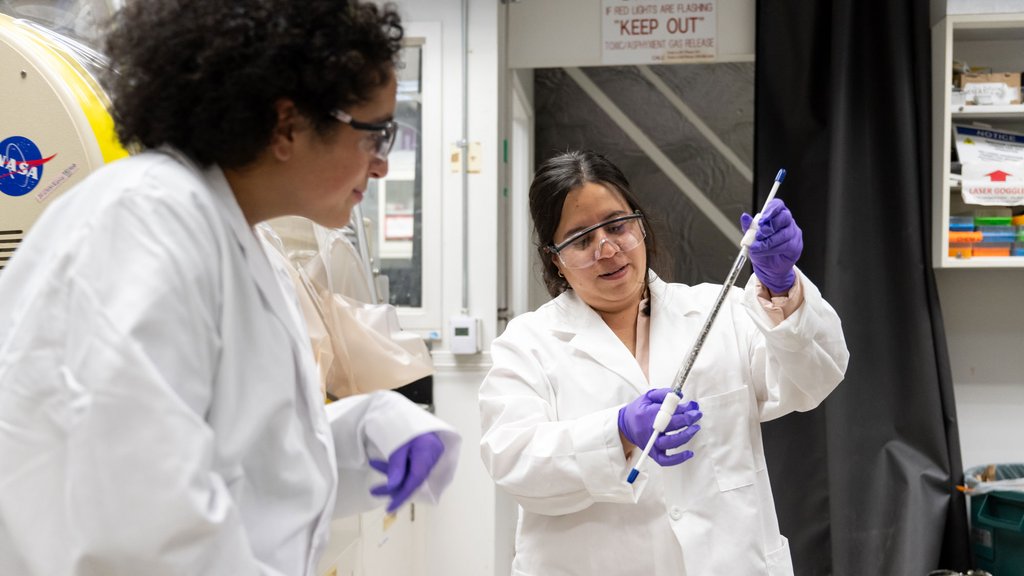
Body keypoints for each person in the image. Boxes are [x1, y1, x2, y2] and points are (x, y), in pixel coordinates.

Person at [0, 1, 459, 575]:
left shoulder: (230, 232)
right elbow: (141, 518)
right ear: (287, 124)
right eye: (375, 134)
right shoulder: (145, 224)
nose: (382, 165)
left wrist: (373, 430)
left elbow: (244, 455)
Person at [479, 150, 849, 575]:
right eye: (581, 240)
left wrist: (782, 287)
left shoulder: (721, 311)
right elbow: (513, 460)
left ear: (640, 225)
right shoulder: (527, 345)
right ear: (555, 259)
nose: (607, 249)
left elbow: (815, 379)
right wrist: (616, 431)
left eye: (617, 226)